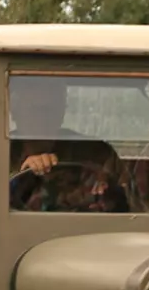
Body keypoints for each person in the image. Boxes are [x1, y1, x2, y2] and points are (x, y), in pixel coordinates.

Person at [8, 78, 134, 213]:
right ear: (14, 111)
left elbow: (125, 205)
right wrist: (23, 176)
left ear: (62, 112)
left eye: (51, 109)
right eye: (35, 109)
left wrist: (102, 187)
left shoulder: (94, 152)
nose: (42, 118)